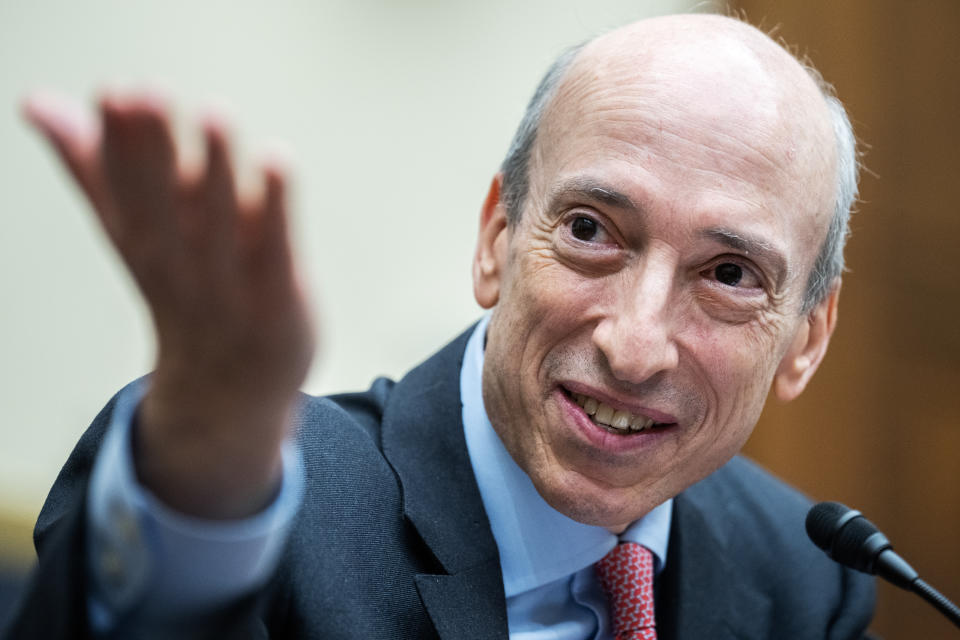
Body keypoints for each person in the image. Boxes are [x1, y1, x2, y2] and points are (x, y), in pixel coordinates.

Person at [4, 12, 875, 640]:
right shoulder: (261, 510)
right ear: (497, 238)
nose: (633, 346)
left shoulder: (804, 577)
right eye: (589, 232)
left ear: (805, 337)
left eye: (728, 275)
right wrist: (201, 482)